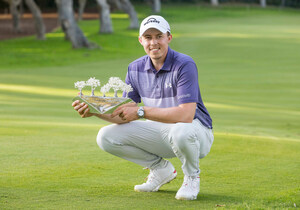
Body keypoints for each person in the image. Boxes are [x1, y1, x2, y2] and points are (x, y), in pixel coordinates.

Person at [72, 15, 214, 200]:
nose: (153, 42)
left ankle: (192, 178)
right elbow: (124, 114)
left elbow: (186, 115)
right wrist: (94, 111)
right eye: (148, 37)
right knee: (106, 136)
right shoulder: (135, 68)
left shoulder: (184, 64)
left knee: (181, 130)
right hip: (161, 133)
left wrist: (141, 111)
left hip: (196, 133)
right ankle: (160, 169)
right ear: (141, 40)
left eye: (159, 36)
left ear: (169, 37)